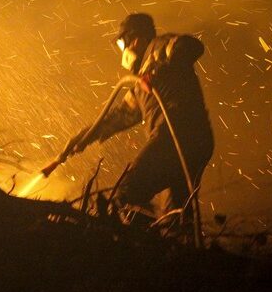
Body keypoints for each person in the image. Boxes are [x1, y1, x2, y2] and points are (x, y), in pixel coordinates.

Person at [43, 13, 214, 229]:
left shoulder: (157, 48)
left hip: (177, 137)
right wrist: (83, 138)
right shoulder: (140, 83)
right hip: (197, 141)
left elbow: (191, 46)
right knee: (174, 217)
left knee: (126, 194)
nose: (123, 51)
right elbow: (119, 116)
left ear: (137, 39)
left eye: (123, 42)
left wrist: (156, 71)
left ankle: (135, 244)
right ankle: (180, 251)